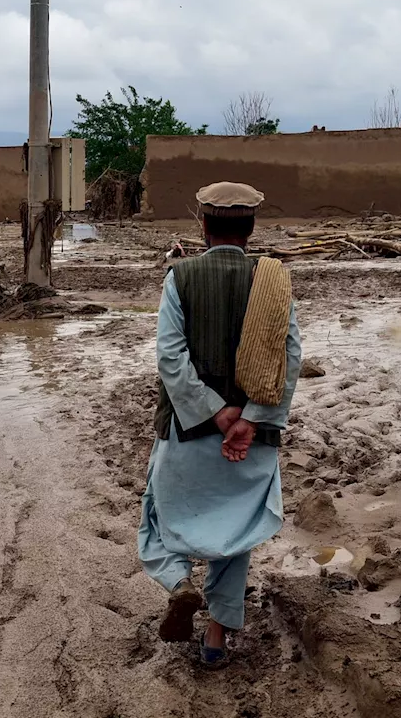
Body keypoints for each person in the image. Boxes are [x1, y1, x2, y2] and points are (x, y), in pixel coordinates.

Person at [138, 182, 302, 667]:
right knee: (236, 533)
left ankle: (179, 582)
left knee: (156, 516)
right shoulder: (273, 280)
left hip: (188, 430)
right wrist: (250, 419)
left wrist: (213, 411)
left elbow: (171, 357)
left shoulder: (180, 277)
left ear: (203, 226)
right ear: (251, 229)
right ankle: (214, 639)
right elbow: (289, 358)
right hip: (252, 440)